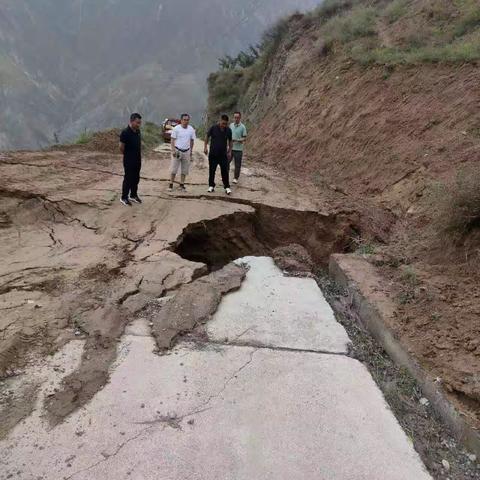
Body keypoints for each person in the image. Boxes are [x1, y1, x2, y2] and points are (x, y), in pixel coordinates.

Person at [204, 114, 233, 195]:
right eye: (223, 123)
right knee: (212, 170)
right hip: (213, 154)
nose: (224, 125)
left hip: (223, 155)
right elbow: (207, 136)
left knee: (225, 171)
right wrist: (205, 147)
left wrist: (230, 151)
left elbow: (230, 141)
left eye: (226, 124)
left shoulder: (228, 130)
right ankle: (211, 186)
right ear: (220, 121)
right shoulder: (213, 128)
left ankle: (227, 187)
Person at [119, 113, 142, 206]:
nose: (139, 124)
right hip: (129, 159)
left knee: (136, 178)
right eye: (137, 122)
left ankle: (133, 195)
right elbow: (121, 147)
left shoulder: (137, 131)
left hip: (137, 159)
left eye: (140, 123)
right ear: (131, 121)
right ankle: (124, 197)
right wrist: (128, 155)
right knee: (128, 178)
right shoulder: (125, 132)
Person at [169, 113, 196, 192]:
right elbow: (172, 140)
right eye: (184, 120)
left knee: (184, 169)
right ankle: (171, 184)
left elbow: (192, 141)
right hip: (177, 151)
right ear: (181, 120)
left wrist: (191, 151)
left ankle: (182, 184)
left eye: (187, 120)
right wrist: (173, 150)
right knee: (174, 169)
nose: (186, 121)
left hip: (186, 151)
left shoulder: (191, 129)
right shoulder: (176, 128)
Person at [230, 111, 247, 184]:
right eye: (235, 117)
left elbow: (244, 138)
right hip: (230, 148)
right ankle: (224, 175)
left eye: (237, 117)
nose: (236, 119)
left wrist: (237, 140)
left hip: (238, 149)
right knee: (226, 162)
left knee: (237, 165)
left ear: (240, 118)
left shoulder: (243, 127)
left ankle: (235, 178)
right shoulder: (231, 125)